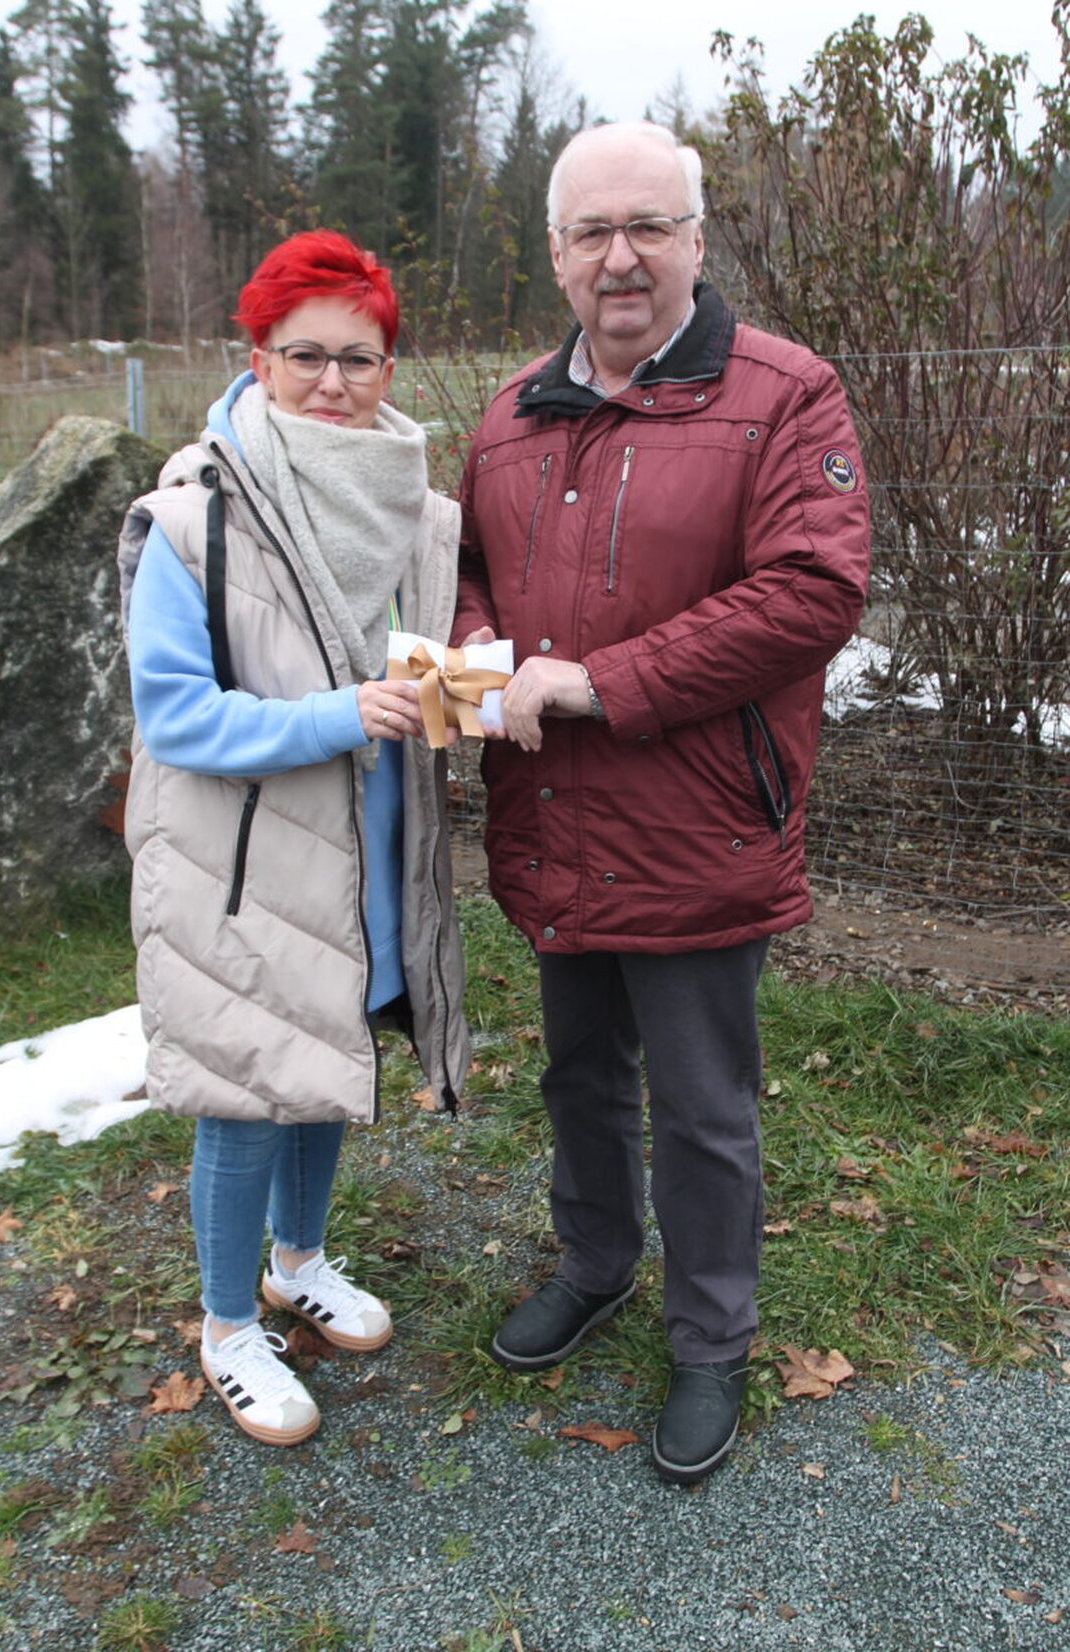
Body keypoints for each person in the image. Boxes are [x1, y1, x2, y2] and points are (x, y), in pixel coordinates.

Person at [453, 123, 870, 1484]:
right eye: (591, 233)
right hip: (552, 821)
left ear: (696, 238)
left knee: (700, 1103)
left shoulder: (784, 394)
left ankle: (711, 1338)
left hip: (695, 823)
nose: (619, 257)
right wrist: (472, 662)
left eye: (648, 226)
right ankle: (596, 1265)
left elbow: (812, 594)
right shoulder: (511, 416)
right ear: (559, 255)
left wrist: (598, 683)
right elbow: (464, 576)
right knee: (579, 1073)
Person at [118, 230, 469, 1446]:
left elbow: (403, 655)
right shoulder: (188, 515)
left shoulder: (413, 506)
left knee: (323, 1065)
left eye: (358, 357)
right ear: (254, 358)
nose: (332, 381)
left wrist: (455, 686)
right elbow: (170, 712)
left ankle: (297, 1262)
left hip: (368, 843)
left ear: (389, 364)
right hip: (243, 862)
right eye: (303, 354)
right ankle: (226, 1327)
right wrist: (338, 712)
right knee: (246, 1091)